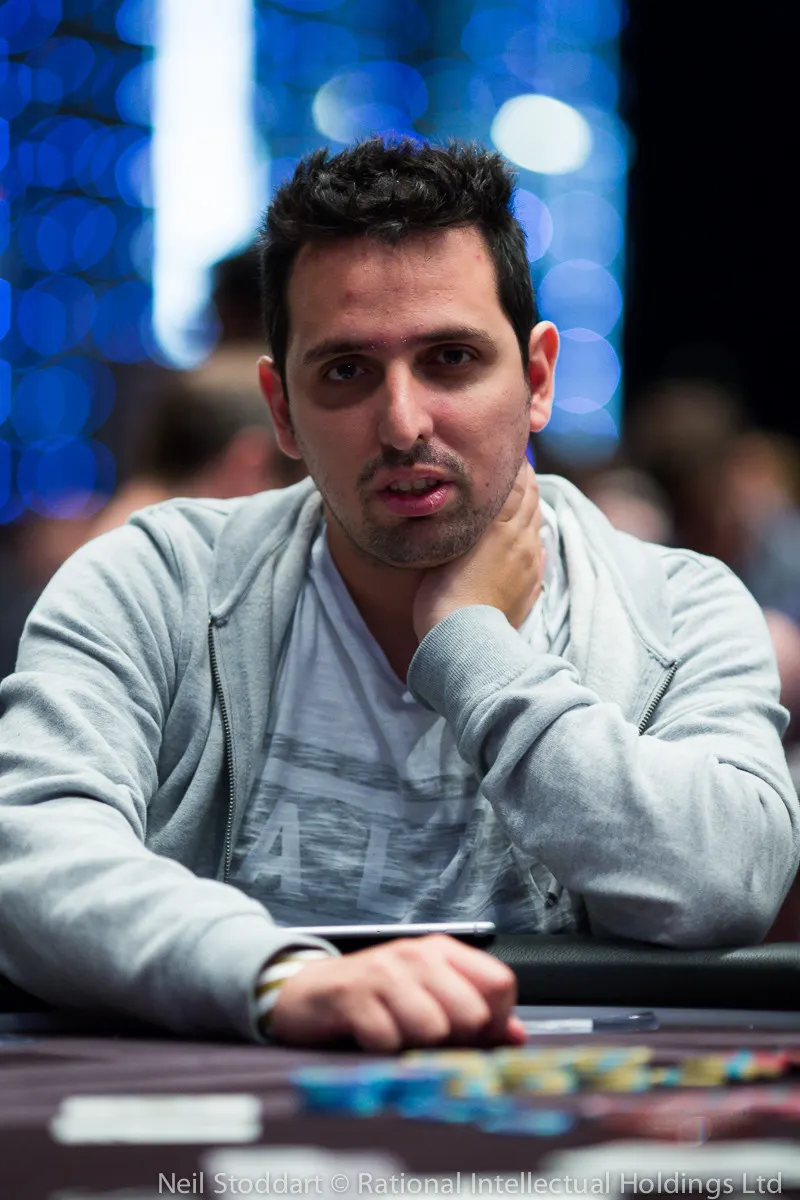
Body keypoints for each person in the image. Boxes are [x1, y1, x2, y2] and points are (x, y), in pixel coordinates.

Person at [0, 140, 797, 1053]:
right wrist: (280, 975)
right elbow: (28, 852)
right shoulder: (156, 582)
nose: (404, 423)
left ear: (538, 379)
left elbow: (731, 882)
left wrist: (474, 648)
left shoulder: (679, 608)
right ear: (282, 410)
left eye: (451, 358)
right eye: (346, 370)